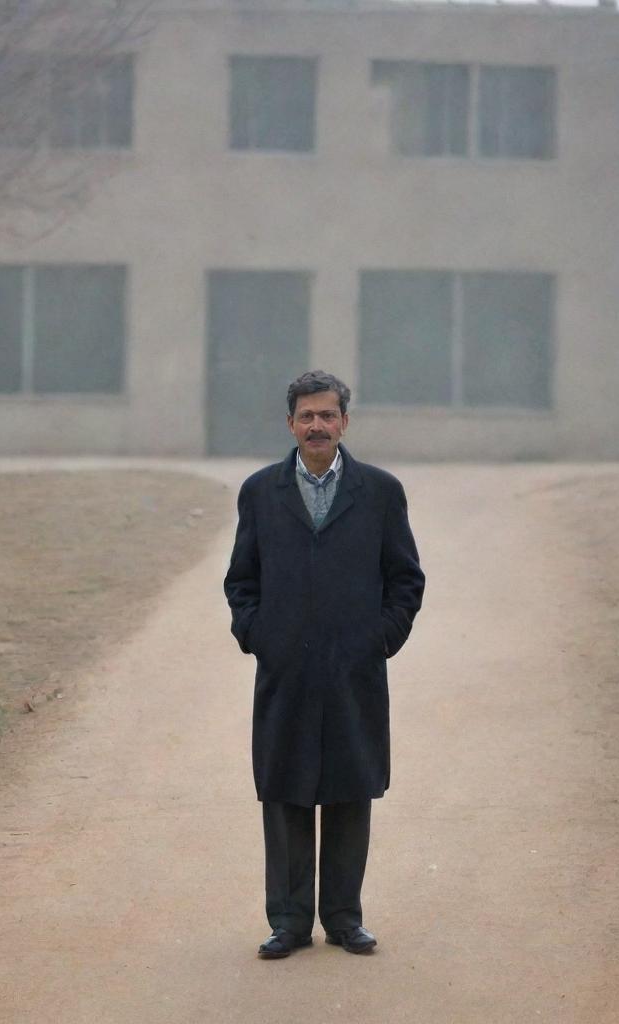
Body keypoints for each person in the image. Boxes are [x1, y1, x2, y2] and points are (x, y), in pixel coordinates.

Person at [224, 369, 425, 959]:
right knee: (285, 791)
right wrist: (259, 634)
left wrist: (379, 639)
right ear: (290, 423)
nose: (317, 425)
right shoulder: (261, 492)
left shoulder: (381, 492)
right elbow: (242, 580)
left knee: (347, 788)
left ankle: (343, 917)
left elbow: (406, 579)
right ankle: (288, 921)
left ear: (344, 422)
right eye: (306, 416)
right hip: (285, 669)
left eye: (328, 415)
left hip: (353, 669)